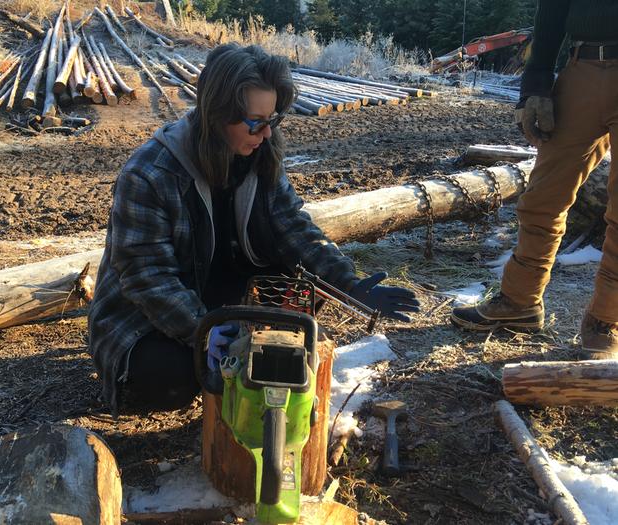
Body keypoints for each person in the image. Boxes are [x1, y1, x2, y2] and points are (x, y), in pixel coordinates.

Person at [88, 44, 420, 415]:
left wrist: (347, 283)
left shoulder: (261, 153)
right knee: (170, 382)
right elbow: (145, 276)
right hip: (150, 309)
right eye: (255, 122)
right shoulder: (150, 174)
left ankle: (237, 339)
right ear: (217, 114)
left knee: (308, 289)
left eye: (273, 120)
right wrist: (202, 329)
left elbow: (293, 227)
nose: (265, 133)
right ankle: (194, 351)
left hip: (220, 285)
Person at [451, 1, 618, 359]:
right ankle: (519, 301)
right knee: (543, 198)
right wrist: (535, 85)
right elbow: (552, 12)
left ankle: (605, 322)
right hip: (582, 71)